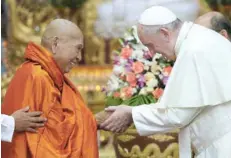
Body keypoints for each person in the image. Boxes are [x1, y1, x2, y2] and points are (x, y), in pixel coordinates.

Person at [100, 6, 231, 158]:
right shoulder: (197, 40)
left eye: (150, 45)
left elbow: (178, 114)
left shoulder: (194, 50)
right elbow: (181, 106)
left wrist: (131, 113)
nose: (151, 53)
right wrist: (131, 111)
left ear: (164, 33)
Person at [1, 19, 98, 158]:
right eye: (78, 48)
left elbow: (57, 124)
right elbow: (48, 142)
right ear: (55, 44)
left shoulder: (38, 72)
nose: (79, 57)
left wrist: (92, 121)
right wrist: (88, 124)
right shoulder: (38, 77)